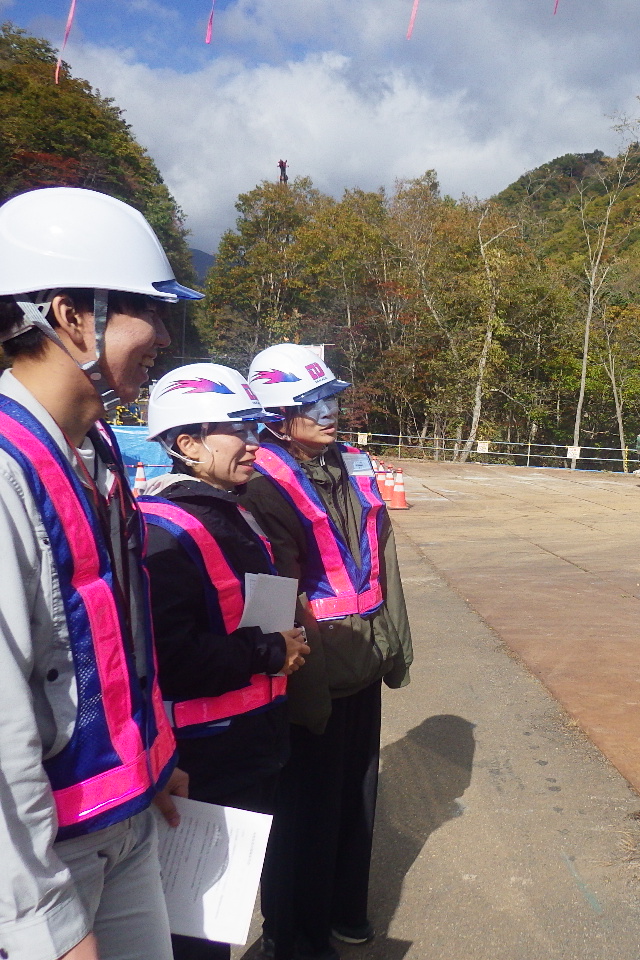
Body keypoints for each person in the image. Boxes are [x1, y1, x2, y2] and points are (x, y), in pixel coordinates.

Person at [0, 186, 199, 960]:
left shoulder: (99, 451)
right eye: (150, 313)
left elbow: (117, 637)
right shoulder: (9, 470)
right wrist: (44, 918)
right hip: (49, 857)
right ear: (72, 314)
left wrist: (160, 752)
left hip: (130, 815)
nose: (163, 337)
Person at [240, 343, 413, 960]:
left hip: (362, 662)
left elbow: (382, 565)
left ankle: (344, 910)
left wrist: (394, 648)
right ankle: (296, 937)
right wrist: (297, 688)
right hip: (309, 672)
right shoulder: (261, 487)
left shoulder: (353, 467)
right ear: (275, 416)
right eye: (313, 404)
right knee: (302, 816)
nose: (330, 413)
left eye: (333, 399)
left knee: (355, 798)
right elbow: (273, 599)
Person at [137, 363, 311, 960]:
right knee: (197, 928)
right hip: (205, 758)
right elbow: (172, 657)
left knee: (224, 916)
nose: (253, 442)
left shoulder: (232, 511)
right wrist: (269, 651)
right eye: (237, 428)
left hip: (250, 747)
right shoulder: (165, 531)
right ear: (187, 444)